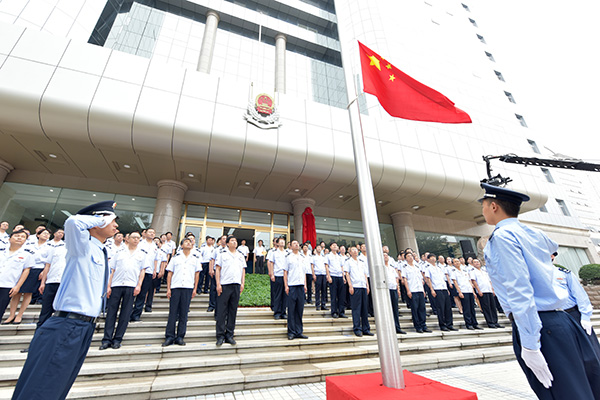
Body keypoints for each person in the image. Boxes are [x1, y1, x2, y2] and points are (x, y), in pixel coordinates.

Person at [481, 182, 600, 398]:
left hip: (540, 325)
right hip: (561, 321)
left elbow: (520, 289)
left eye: (484, 205)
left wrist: (530, 344)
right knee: (583, 387)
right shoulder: (533, 232)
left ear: (494, 206)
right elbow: (552, 246)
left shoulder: (502, 237)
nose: (483, 210)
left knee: (562, 393)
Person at [12, 200, 118, 400]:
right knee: (43, 387)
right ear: (97, 222)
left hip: (83, 327)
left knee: (59, 385)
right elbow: (73, 222)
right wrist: (100, 217)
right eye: (112, 220)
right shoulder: (82, 246)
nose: (116, 225)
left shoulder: (100, 250)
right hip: (68, 324)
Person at [100, 231, 145, 350]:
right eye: (134, 237)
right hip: (116, 285)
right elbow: (112, 270)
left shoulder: (141, 254)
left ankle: (117, 339)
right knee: (111, 313)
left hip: (131, 285)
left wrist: (138, 285)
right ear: (127, 238)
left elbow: (142, 272)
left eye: (138, 238)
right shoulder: (118, 253)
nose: (136, 240)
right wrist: (108, 286)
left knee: (125, 314)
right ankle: (106, 339)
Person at [552, 262, 600, 360]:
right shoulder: (534, 276)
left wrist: (585, 317)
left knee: (591, 351)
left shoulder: (563, 273)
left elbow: (580, 295)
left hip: (573, 314)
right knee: (570, 354)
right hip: (554, 316)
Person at [163, 237, 201, 347]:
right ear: (181, 245)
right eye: (186, 242)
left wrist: (195, 289)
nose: (188, 243)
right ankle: (169, 336)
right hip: (176, 287)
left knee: (184, 314)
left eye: (190, 242)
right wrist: (168, 289)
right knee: (173, 313)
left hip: (188, 287)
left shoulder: (195, 259)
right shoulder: (175, 258)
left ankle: (180, 337)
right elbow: (170, 273)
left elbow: (197, 274)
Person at [7, 228, 50, 324]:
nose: (46, 235)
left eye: (47, 234)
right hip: (23, 268)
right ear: (37, 235)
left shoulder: (49, 247)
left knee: (28, 293)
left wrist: (43, 272)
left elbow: (48, 262)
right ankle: (11, 315)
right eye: (44, 233)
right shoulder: (29, 244)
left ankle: (19, 315)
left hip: (37, 269)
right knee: (17, 292)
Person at [215, 235, 245, 346]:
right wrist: (218, 284)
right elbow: (217, 269)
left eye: (235, 240)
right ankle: (220, 335)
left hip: (236, 285)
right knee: (222, 311)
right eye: (232, 240)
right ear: (227, 243)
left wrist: (242, 283)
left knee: (233, 311)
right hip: (225, 285)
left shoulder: (240, 256)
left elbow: (243, 270)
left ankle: (229, 335)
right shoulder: (222, 255)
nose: (234, 242)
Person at [0, 230, 32, 322]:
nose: (19, 238)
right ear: (9, 239)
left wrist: (17, 286)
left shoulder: (26, 255)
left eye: (22, 237)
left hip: (7, 285)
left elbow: (26, 271)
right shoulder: (1, 251)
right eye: (17, 236)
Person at [131, 228, 158, 320]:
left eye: (153, 233)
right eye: (150, 232)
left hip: (149, 272)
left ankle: (136, 315)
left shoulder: (155, 246)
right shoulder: (140, 243)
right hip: (137, 271)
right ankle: (128, 312)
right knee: (132, 292)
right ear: (145, 233)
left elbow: (155, 259)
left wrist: (154, 270)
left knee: (143, 294)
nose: (152, 234)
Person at [424, 253, 456, 331]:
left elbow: (442, 279)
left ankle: (449, 324)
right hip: (437, 289)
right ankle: (442, 325)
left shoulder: (439, 268)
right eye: (431, 257)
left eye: (434, 257)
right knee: (440, 308)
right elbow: (428, 279)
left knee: (448, 307)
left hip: (444, 288)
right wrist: (432, 289)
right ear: (428, 259)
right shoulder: (428, 268)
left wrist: (447, 289)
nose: (433, 259)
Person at [345, 246, 372, 337]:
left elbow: (365, 275)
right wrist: (350, 286)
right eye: (353, 250)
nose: (355, 251)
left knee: (365, 308)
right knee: (356, 309)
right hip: (355, 287)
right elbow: (347, 274)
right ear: (350, 252)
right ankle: (357, 328)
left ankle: (366, 328)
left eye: (356, 250)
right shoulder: (348, 262)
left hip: (363, 286)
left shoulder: (362, 262)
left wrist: (367, 285)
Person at [284, 240, 308, 340]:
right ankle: (291, 332)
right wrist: (286, 286)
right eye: (294, 243)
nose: (296, 245)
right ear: (290, 246)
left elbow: (304, 273)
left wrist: (305, 285)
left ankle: (299, 331)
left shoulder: (302, 257)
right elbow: (285, 272)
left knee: (299, 310)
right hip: (292, 286)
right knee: (291, 310)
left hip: (301, 286)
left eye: (297, 243)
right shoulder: (288, 257)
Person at [402, 252, 431, 333]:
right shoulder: (405, 267)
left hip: (420, 290)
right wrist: (408, 290)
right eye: (408, 256)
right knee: (415, 309)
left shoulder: (417, 266)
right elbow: (405, 280)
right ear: (405, 258)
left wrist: (423, 290)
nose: (410, 257)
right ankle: (418, 327)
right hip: (412, 290)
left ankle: (423, 325)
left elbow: (421, 280)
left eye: (411, 256)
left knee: (422, 309)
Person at [451, 258, 482, 330]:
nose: (457, 263)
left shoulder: (464, 270)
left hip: (469, 290)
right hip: (463, 291)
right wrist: (459, 292)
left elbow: (469, 281)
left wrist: (473, 292)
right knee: (466, 308)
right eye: (455, 262)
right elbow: (455, 282)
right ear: (453, 264)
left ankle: (475, 323)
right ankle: (469, 323)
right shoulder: (453, 271)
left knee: (472, 308)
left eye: (458, 261)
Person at [470, 258, 502, 329]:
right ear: (472, 264)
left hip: (489, 290)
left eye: (478, 262)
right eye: (475, 262)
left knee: (493, 307)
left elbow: (489, 281)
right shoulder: (473, 271)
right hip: (482, 291)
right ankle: (490, 322)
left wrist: (492, 289)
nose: (477, 263)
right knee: (486, 307)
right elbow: (474, 281)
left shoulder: (484, 271)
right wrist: (478, 290)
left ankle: (495, 322)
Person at [384, 252, 406, 334]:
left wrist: (398, 289)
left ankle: (397, 327)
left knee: (395, 309)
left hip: (393, 289)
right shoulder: (381, 268)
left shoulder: (392, 268)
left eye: (386, 255)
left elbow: (396, 278)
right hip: (386, 290)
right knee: (387, 309)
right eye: (383, 256)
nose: (385, 257)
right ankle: (388, 328)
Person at [267, 237, 288, 320]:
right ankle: (277, 312)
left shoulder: (287, 253)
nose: (282, 243)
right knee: (277, 295)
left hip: (285, 276)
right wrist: (272, 274)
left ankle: (283, 312)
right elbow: (271, 263)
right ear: (278, 243)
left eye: (283, 241)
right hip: (277, 275)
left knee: (285, 295)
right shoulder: (274, 253)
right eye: (281, 242)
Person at [312, 245, 328, 311]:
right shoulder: (313, 257)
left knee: (324, 290)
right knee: (318, 290)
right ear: (315, 249)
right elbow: (312, 266)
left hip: (323, 274)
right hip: (317, 274)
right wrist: (313, 274)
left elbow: (326, 266)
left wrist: (327, 275)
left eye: (320, 248)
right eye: (318, 248)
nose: (319, 249)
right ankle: (317, 304)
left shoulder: (324, 257)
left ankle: (323, 304)